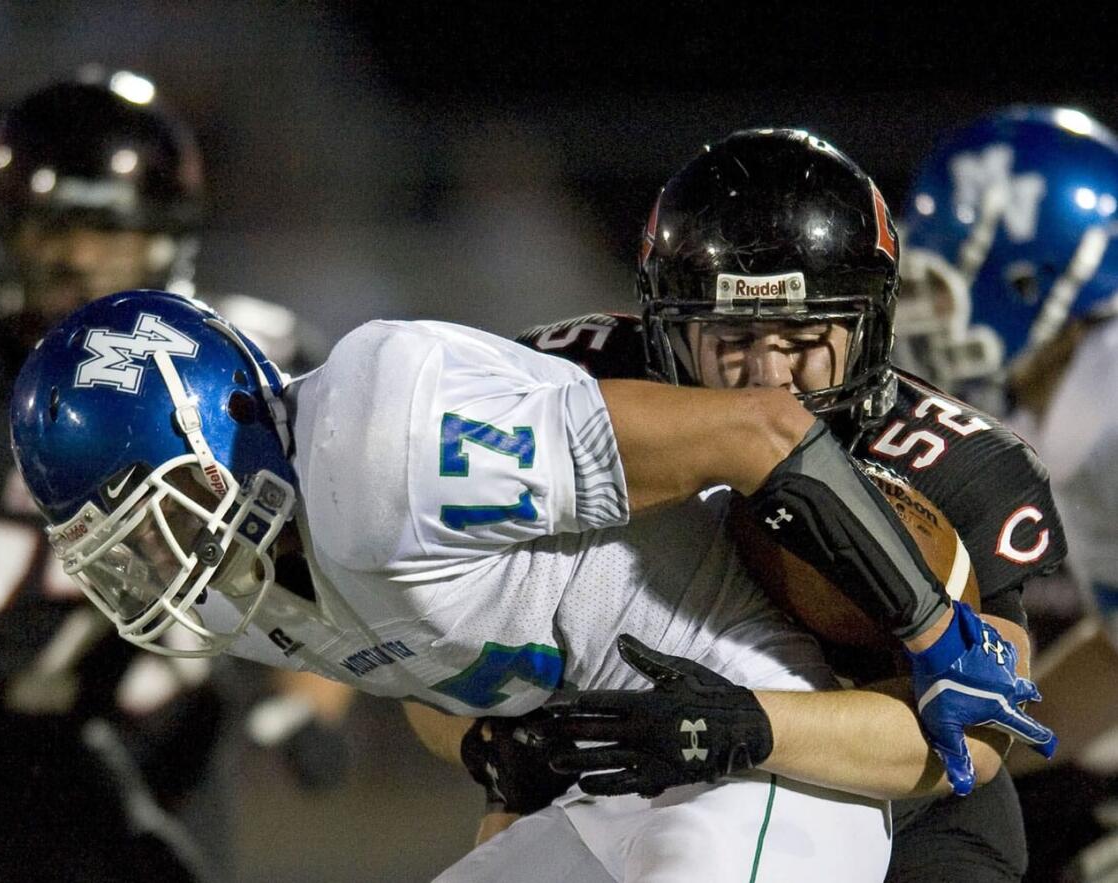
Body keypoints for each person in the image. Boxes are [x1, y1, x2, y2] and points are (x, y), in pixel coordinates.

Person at [6, 251, 1049, 879]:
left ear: (234, 426)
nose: (157, 560)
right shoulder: (254, 574)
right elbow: (444, 669)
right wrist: (499, 761)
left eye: (165, 515)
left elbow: (762, 428)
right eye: (126, 545)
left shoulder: (386, 442)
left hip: (757, 742)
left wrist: (930, 631)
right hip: (626, 770)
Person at [432, 127, 1065, 882]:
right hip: (621, 793)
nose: (767, 376)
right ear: (667, 327)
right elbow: (426, 640)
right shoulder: (576, 391)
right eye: (731, 334)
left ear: (868, 325)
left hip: (904, 815)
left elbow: (989, 724)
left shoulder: (954, 461)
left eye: (802, 335)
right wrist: (493, 741)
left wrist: (744, 724)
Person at [0, 69, 219, 881]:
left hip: (100, 745)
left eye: (107, 234)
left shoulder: (219, 385)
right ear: (1, 229)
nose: (77, 260)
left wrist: (302, 704)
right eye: (55, 229)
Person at [895, 104, 1118, 881]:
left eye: (944, 278)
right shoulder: (1083, 395)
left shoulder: (1105, 406)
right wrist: (968, 745)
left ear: (1032, 274)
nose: (927, 310)